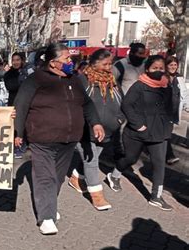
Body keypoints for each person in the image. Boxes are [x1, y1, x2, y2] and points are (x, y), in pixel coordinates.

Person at [14, 43, 104, 235]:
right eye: (66, 59)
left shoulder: (76, 79)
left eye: (70, 59)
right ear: (53, 63)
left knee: (57, 178)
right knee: (45, 178)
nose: (70, 62)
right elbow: (20, 106)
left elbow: (87, 104)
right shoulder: (35, 79)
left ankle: (49, 205)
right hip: (42, 139)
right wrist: (18, 133)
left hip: (69, 139)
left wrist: (95, 123)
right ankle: (46, 217)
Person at [107, 55, 178, 211]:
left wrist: (170, 123)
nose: (158, 71)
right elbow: (127, 105)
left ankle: (156, 196)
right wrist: (138, 125)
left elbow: (170, 106)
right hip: (137, 131)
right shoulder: (139, 85)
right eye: (155, 68)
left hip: (159, 132)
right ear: (147, 69)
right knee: (130, 158)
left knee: (159, 164)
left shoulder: (167, 86)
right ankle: (115, 174)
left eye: (161, 68)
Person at [68, 49, 124, 211]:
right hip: (85, 129)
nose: (108, 67)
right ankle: (97, 195)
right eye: (105, 64)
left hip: (108, 131)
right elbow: (75, 103)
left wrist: (119, 119)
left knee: (90, 158)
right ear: (94, 63)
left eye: (110, 64)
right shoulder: (83, 80)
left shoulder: (112, 80)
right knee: (92, 161)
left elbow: (122, 101)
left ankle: (75, 178)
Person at [4, 52, 28, 159]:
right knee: (16, 126)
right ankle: (16, 146)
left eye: (18, 60)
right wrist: (22, 80)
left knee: (26, 124)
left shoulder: (27, 71)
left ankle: (25, 144)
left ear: (22, 60)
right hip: (14, 103)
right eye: (14, 60)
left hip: (27, 103)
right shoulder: (8, 74)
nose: (16, 62)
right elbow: (11, 86)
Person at [165, 56, 186, 165]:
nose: (173, 67)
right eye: (170, 65)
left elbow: (184, 94)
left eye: (175, 65)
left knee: (166, 133)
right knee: (166, 134)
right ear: (166, 66)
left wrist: (186, 107)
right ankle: (169, 156)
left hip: (173, 111)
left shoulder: (180, 78)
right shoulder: (163, 76)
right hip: (162, 110)